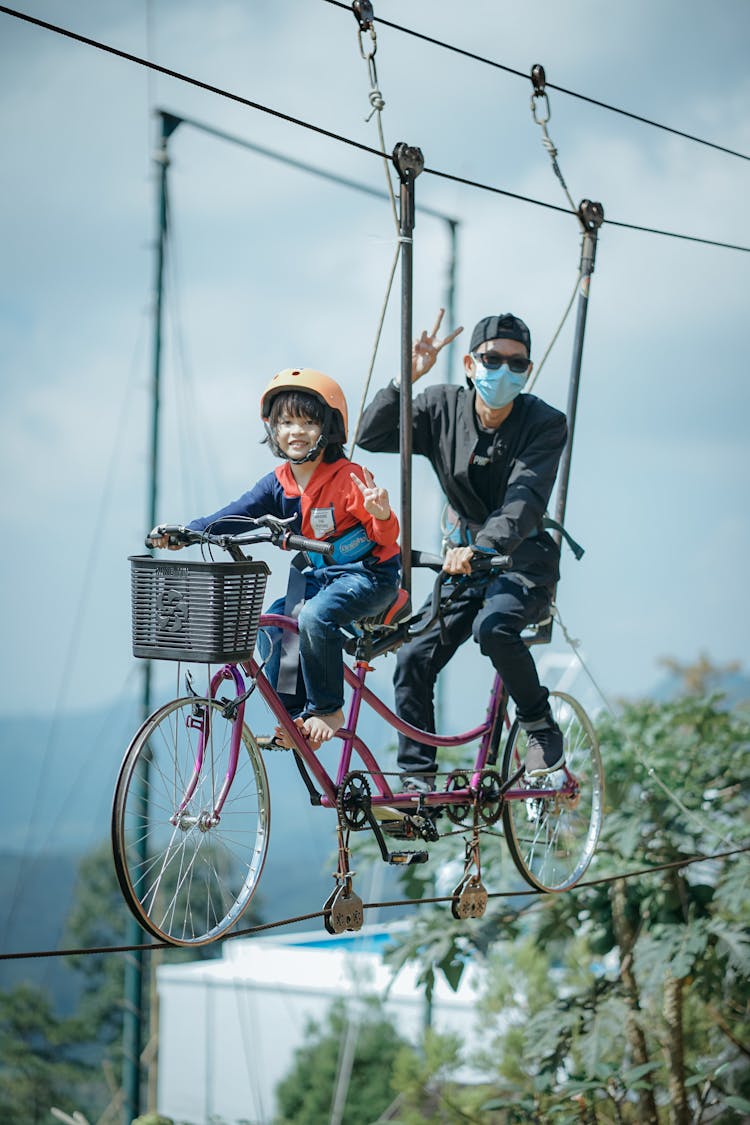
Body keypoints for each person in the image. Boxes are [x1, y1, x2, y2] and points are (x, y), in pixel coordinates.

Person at [357, 309, 568, 789]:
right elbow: (371, 436)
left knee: (493, 629)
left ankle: (540, 725)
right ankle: (417, 778)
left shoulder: (545, 424)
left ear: (528, 372)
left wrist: (486, 546)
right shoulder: (438, 407)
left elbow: (525, 499)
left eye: (518, 365)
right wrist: (403, 379)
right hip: (463, 559)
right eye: (493, 359)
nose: (504, 372)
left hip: (523, 557)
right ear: (471, 365)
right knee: (413, 654)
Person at [151, 368, 401, 748]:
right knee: (272, 627)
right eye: (286, 422)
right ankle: (297, 717)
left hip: (368, 576)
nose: (295, 432)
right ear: (272, 428)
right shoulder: (278, 481)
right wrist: (187, 533)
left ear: (329, 428)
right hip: (318, 580)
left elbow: (386, 536)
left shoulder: (349, 477)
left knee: (316, 618)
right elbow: (234, 515)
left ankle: (328, 708)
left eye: (308, 422)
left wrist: (380, 513)